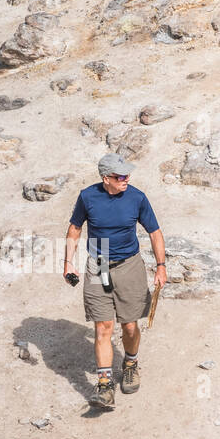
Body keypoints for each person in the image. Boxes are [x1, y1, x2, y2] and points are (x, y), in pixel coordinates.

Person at [63, 152, 166, 408]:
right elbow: (75, 228)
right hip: (98, 266)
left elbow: (154, 231)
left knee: (129, 326)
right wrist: (68, 262)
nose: (126, 179)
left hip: (129, 266)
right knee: (103, 327)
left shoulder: (137, 197)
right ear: (105, 178)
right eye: (120, 176)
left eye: (127, 174)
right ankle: (105, 386)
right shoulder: (88, 197)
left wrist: (161, 266)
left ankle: (130, 362)